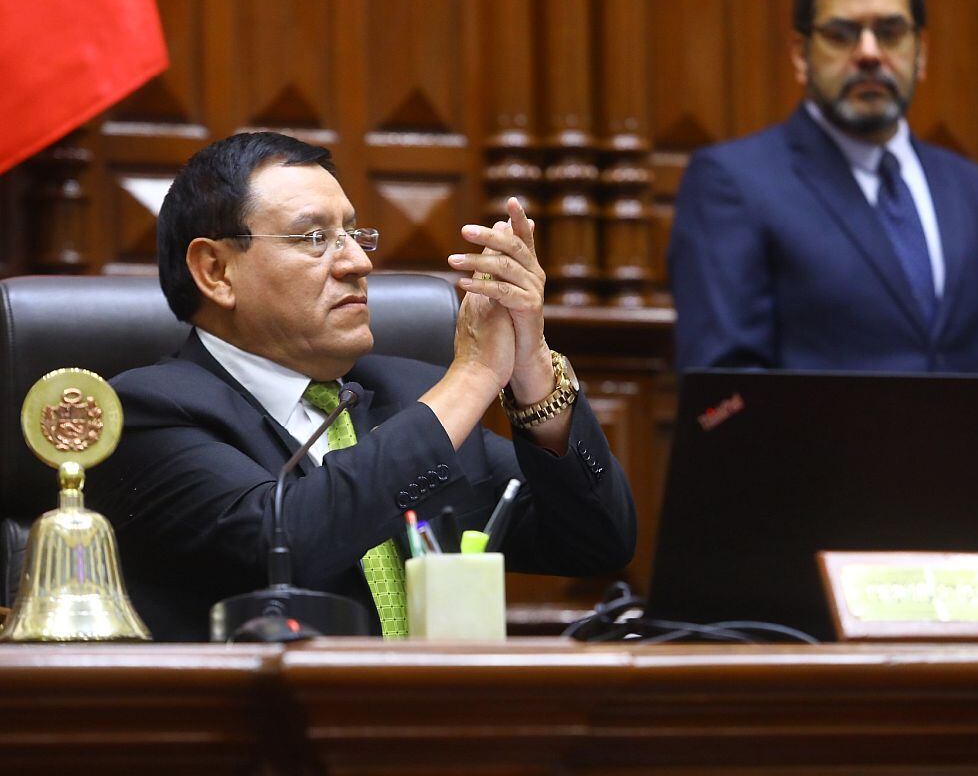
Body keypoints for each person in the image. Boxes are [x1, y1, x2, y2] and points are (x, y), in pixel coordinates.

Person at [91, 132, 636, 641]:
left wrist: (531, 363)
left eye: (353, 233)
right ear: (215, 270)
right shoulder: (145, 414)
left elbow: (596, 541)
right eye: (315, 238)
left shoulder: (410, 394)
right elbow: (285, 543)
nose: (358, 261)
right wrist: (474, 375)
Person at [668, 0, 978, 374]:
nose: (869, 53)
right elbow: (723, 383)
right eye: (841, 35)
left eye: (891, 33)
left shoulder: (974, 190)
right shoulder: (733, 183)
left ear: (921, 52)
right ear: (800, 55)